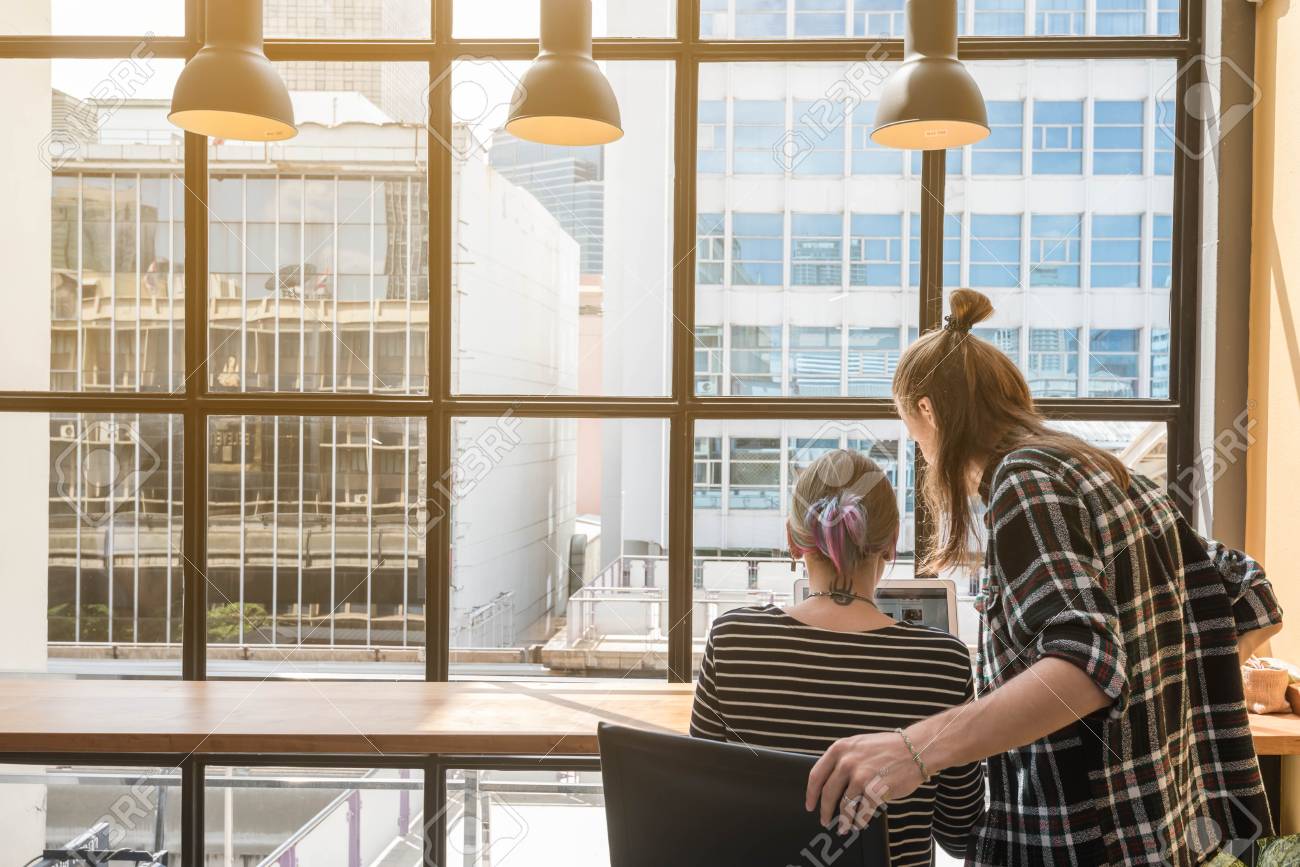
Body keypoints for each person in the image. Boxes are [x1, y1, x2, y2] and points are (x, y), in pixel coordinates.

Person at [805, 289, 1284, 866]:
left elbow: (1084, 666)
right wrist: (1151, 709)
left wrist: (913, 749)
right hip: (1157, 836)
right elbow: (1247, 594)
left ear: (929, 411)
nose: (926, 460)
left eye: (916, 440)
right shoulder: (1108, 474)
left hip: (1079, 843)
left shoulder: (1024, 481)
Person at [691, 448, 984, 867]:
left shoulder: (733, 637)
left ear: (793, 541)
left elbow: (702, 801)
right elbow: (961, 834)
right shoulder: (942, 662)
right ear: (892, 544)